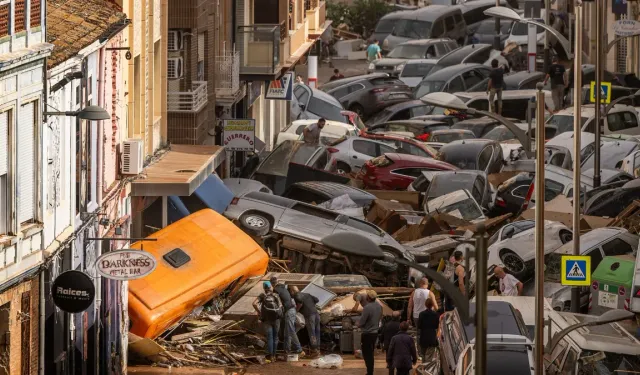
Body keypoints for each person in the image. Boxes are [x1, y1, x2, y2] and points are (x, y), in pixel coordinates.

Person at [270, 277, 304, 357]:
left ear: (272, 284)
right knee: (287, 332)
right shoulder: (283, 287)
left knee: (291, 330)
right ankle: (287, 350)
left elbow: (277, 303)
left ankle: (299, 349)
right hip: (292, 310)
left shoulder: (276, 290)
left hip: (289, 311)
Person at [252, 281, 283, 361]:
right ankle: (274, 355)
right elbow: (281, 306)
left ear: (264, 288)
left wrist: (259, 313)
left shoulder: (262, 295)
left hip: (266, 319)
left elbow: (254, 304)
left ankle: (271, 356)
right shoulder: (276, 295)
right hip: (276, 319)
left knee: (269, 337)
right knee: (275, 337)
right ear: (270, 287)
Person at [407, 278, 438, 351]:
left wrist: (408, 318)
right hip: (428, 316)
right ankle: (428, 349)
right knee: (428, 331)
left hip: (416, 316)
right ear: (427, 284)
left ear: (420, 284)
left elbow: (409, 306)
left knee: (418, 333)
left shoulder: (414, 292)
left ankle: (420, 351)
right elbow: (436, 307)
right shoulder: (430, 293)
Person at [291, 286, 321, 356]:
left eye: (291, 292)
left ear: (292, 291)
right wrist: (311, 306)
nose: (291, 293)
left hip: (309, 316)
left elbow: (300, 303)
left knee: (312, 333)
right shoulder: (307, 294)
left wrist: (296, 311)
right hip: (316, 314)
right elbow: (317, 300)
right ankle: (318, 349)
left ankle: (314, 350)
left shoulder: (296, 295)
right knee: (317, 332)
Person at [359, 290, 383, 375]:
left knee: (367, 354)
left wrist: (357, 324)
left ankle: (370, 372)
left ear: (368, 298)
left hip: (367, 333)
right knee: (371, 352)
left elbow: (362, 322)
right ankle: (370, 371)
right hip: (375, 333)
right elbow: (380, 317)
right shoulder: (379, 306)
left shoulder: (367, 307)